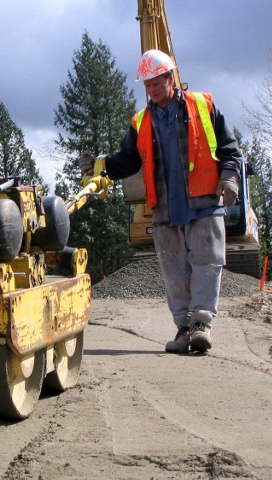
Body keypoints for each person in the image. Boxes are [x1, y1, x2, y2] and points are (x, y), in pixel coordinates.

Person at [80, 49, 243, 354]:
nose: (152, 90)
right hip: (166, 209)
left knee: (206, 265)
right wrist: (101, 166)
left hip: (204, 202)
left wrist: (230, 178)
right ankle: (183, 329)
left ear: (170, 78)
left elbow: (230, 149)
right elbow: (127, 161)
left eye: (156, 83)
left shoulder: (203, 107)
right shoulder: (141, 122)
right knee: (174, 270)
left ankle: (201, 325)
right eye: (147, 86)